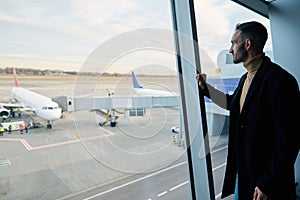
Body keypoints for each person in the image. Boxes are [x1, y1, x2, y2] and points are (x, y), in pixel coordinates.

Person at [196, 21, 300, 200]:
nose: (230, 49)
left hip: (265, 182)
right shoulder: (246, 78)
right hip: (245, 176)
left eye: (233, 43)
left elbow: (289, 140)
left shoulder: (280, 81)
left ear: (247, 44)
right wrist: (206, 89)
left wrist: (268, 182)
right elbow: (232, 103)